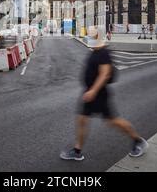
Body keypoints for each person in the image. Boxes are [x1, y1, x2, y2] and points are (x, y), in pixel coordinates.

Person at [60, 32, 148, 161]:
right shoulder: (95, 52)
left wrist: (93, 91)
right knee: (82, 120)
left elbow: (105, 74)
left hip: (99, 94)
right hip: (91, 93)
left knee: (113, 121)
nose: (89, 40)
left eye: (92, 38)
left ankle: (138, 141)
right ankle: (77, 151)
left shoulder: (103, 53)